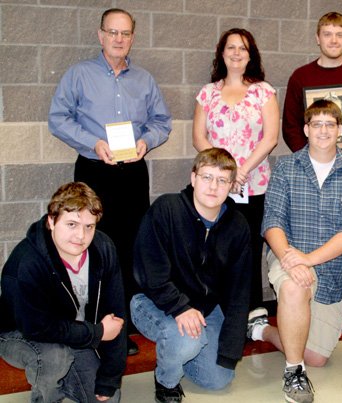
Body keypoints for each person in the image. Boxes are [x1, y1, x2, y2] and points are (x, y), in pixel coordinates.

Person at [48, 8, 172, 356]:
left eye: (125, 33)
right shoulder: (79, 75)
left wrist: (147, 141)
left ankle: (125, 325)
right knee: (93, 244)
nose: (119, 39)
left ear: (132, 37)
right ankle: (95, 325)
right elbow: (58, 118)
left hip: (132, 172)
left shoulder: (144, 80)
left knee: (131, 245)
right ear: (101, 35)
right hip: (94, 170)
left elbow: (162, 121)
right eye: (112, 32)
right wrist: (93, 143)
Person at [247, 100, 342, 403]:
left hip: (333, 269)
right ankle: (293, 372)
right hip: (289, 253)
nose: (324, 130)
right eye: (317, 124)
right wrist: (290, 256)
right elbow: (271, 220)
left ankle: (262, 331)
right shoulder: (287, 167)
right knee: (292, 287)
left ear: (340, 130)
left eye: (330, 124)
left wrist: (309, 259)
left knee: (316, 356)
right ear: (306, 129)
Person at [282, 11, 342, 335]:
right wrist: (309, 160)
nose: (333, 40)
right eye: (327, 34)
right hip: (309, 171)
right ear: (318, 38)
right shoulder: (300, 76)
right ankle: (303, 300)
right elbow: (292, 126)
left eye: (340, 34)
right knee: (309, 231)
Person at [130, 148, 252, 403]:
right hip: (153, 301)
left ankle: (183, 348)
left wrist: (230, 348)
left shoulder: (237, 225)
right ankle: (166, 380)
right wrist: (180, 307)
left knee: (218, 379)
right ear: (193, 177)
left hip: (206, 308)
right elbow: (149, 272)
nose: (213, 186)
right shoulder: (167, 209)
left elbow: (240, 291)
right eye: (207, 177)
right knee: (186, 339)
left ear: (231, 186)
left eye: (222, 180)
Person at [0, 182, 126, 402]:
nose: (81, 235)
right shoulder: (27, 262)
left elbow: (115, 316)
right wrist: (96, 333)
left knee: (110, 399)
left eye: (89, 226)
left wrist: (109, 377)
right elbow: (37, 328)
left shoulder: (103, 248)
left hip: (74, 332)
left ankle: (65, 380)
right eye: (71, 224)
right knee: (56, 357)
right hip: (20, 333)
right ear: (51, 221)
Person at [193, 28, 279, 315]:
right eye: (231, 47)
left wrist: (242, 170)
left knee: (249, 249)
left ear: (250, 54)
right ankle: (217, 310)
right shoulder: (208, 93)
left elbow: (270, 138)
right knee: (215, 249)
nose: (236, 53)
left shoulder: (263, 92)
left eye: (243, 48)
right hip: (216, 186)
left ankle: (251, 311)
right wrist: (225, 173)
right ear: (222, 52)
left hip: (252, 185)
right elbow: (199, 138)